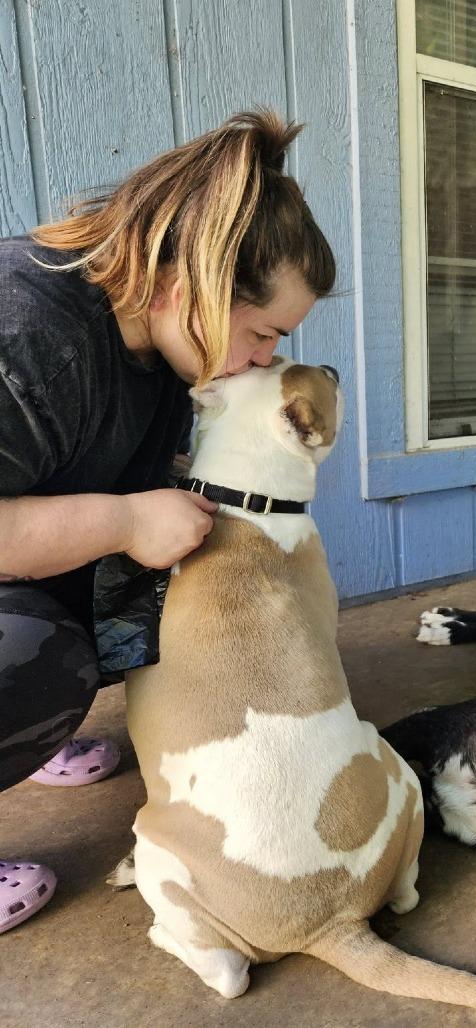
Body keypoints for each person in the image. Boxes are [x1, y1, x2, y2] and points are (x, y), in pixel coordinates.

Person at [0, 109, 335, 932]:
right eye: (262, 334)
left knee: (148, 589)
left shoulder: (158, 346)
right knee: (36, 656)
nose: (264, 359)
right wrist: (122, 521)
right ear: (190, 289)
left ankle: (29, 735)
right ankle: (26, 709)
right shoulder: (33, 337)